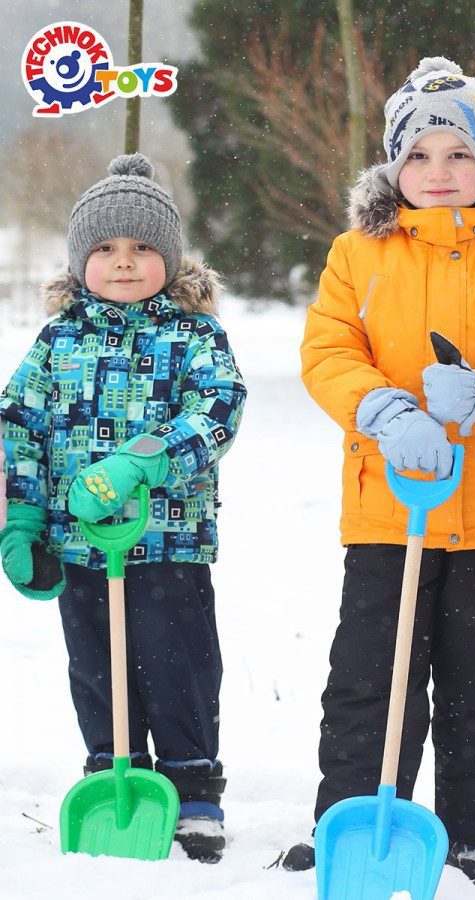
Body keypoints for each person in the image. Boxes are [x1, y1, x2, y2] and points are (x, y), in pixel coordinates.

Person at [283, 56, 475, 886]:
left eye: (459, 153)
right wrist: (380, 410)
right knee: (370, 679)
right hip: (391, 507)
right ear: (393, 166)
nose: (439, 172)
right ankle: (348, 816)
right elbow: (327, 350)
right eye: (419, 155)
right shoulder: (359, 252)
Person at [0, 153, 246, 863]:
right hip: (80, 547)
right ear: (81, 261)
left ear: (170, 257)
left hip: (169, 542)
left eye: (142, 248)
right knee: (96, 667)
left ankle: (193, 785)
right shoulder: (57, 342)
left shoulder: (196, 337)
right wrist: (21, 521)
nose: (125, 262)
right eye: (105, 249)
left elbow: (220, 408)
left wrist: (146, 457)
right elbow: (21, 427)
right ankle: (116, 771)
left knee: (180, 665)